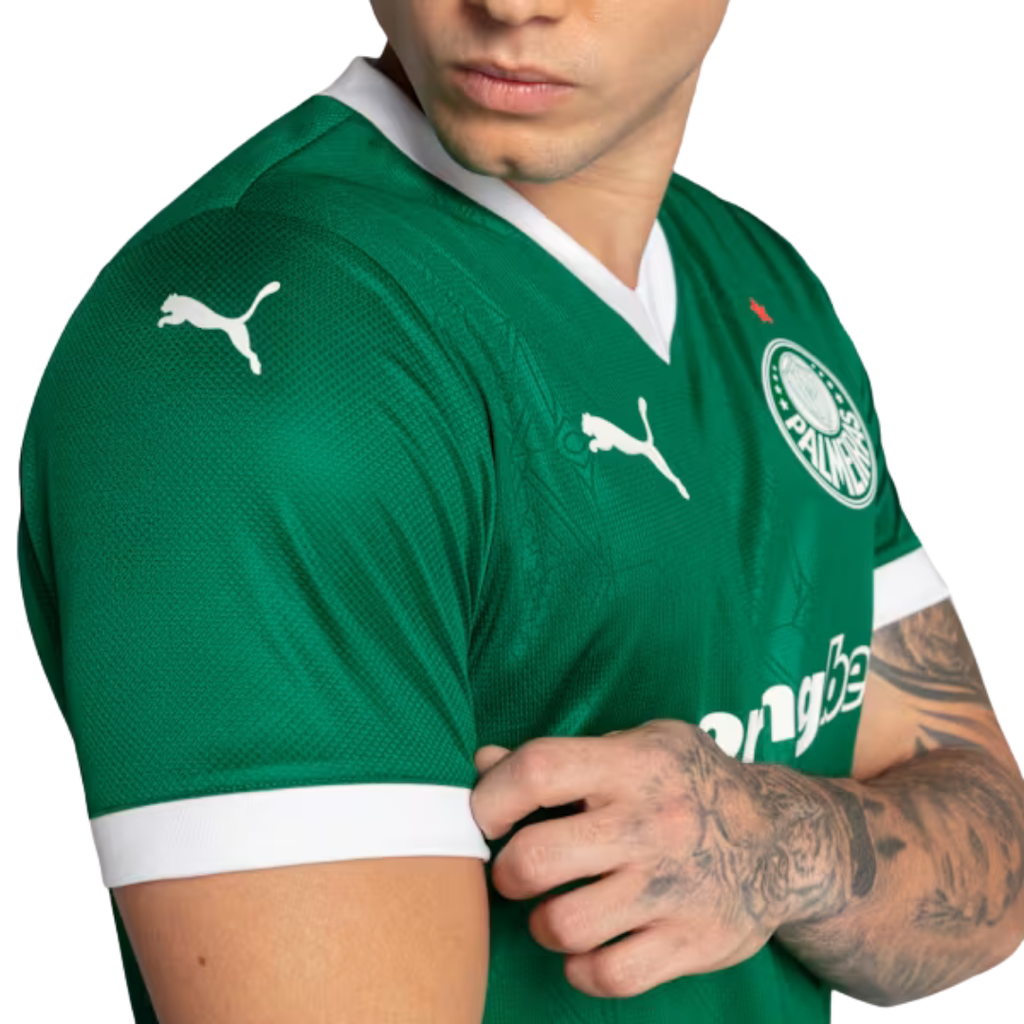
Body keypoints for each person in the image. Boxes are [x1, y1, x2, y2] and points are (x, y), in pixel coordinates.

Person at [15, 1, 1024, 1021]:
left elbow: (993, 848)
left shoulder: (757, 284)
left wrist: (774, 842)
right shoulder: (265, 374)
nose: (506, 3)